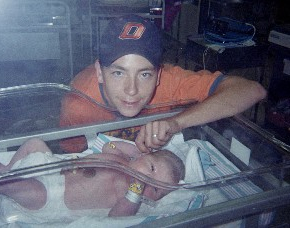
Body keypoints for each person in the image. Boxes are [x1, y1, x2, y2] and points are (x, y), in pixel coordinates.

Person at [59, 14, 267, 153]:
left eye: (144, 75)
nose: (131, 90)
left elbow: (251, 90)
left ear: (158, 75)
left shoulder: (169, 80)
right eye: (118, 73)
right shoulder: (78, 103)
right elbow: (74, 159)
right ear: (99, 72)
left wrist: (176, 123)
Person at [0, 138, 185, 218]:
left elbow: (118, 218)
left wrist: (134, 192)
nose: (148, 180)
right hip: (53, 166)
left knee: (22, 187)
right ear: (143, 155)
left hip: (52, 196)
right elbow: (107, 146)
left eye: (157, 189)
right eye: (151, 168)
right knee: (35, 144)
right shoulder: (124, 160)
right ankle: (7, 168)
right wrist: (124, 146)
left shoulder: (128, 192)